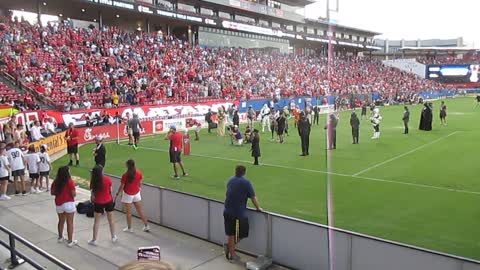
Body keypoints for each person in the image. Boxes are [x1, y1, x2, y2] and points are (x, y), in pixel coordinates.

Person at [223, 165, 262, 262]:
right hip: (238, 213)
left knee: (231, 234)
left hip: (227, 211)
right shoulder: (246, 183)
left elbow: (228, 193)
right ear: (244, 172)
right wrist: (258, 208)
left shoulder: (230, 180)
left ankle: (229, 248)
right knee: (242, 232)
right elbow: (253, 197)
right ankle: (231, 253)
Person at [116, 159, 150, 233]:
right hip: (136, 193)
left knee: (128, 213)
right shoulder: (138, 172)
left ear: (128, 165)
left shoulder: (125, 175)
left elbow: (122, 186)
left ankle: (129, 228)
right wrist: (139, 187)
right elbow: (140, 181)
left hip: (128, 194)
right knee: (140, 210)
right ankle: (146, 225)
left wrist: (118, 193)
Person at [88, 165, 117, 246]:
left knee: (96, 222)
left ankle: (94, 240)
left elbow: (92, 194)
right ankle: (113, 236)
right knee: (111, 220)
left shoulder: (93, 181)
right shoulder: (107, 179)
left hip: (98, 202)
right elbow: (110, 191)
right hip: (108, 201)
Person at [51, 166, 77, 247]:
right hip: (69, 203)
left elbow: (52, 192)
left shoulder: (56, 182)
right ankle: (70, 241)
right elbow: (74, 194)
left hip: (59, 203)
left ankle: (60, 237)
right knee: (70, 223)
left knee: (61, 221)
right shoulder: (70, 181)